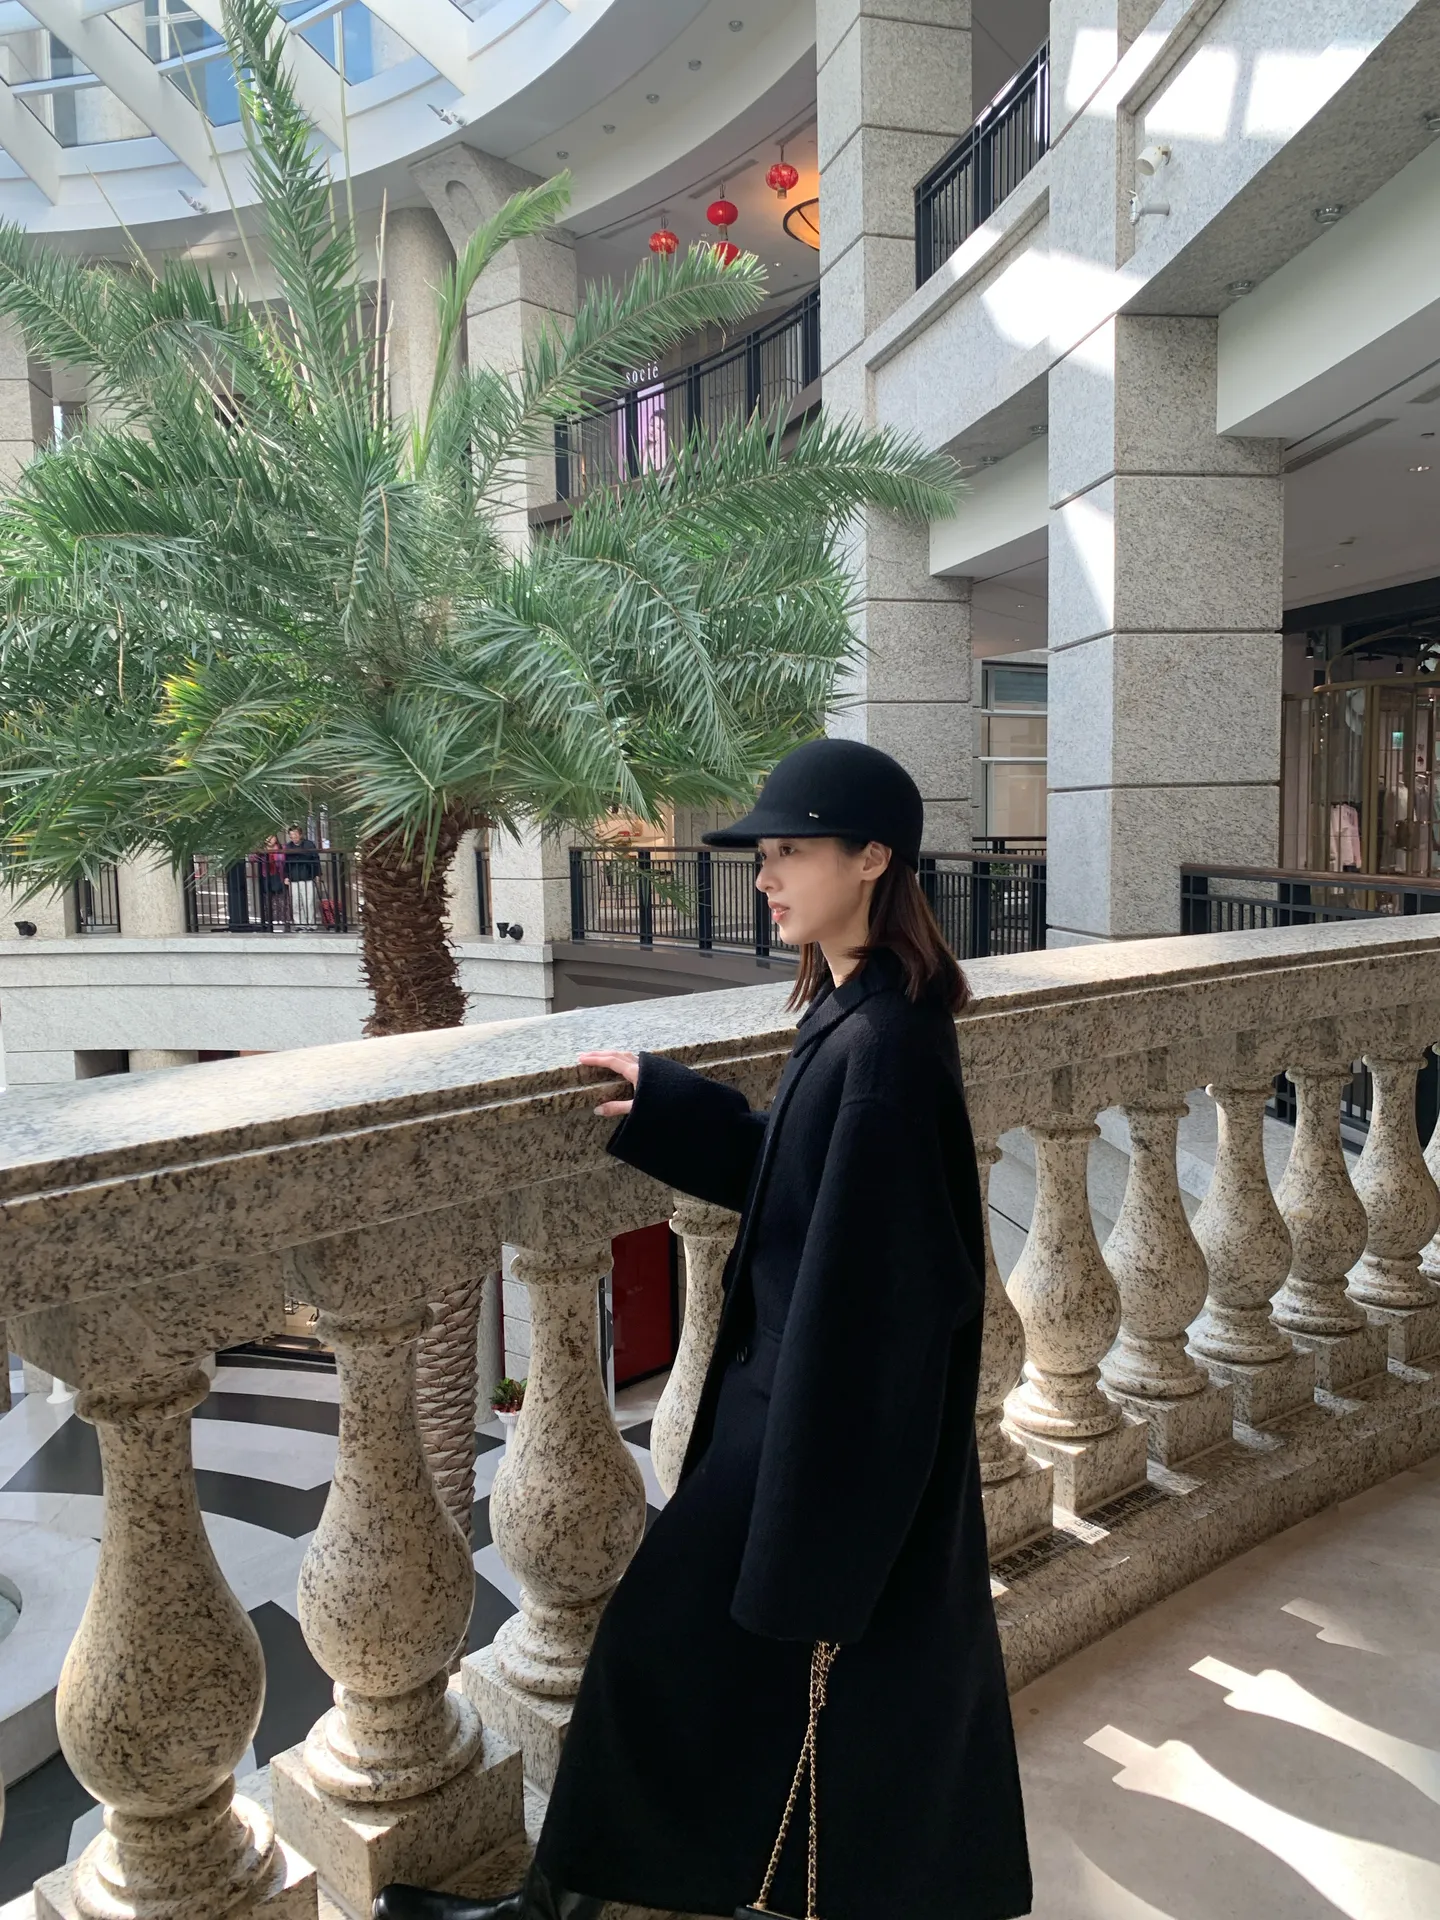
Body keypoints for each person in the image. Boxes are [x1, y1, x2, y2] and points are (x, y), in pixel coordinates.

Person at [374, 739, 1031, 1920]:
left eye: (791, 853)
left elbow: (881, 1315)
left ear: (872, 859)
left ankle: (559, 1907)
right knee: (679, 1667)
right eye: (764, 854)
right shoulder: (862, 1011)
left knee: (667, 1659)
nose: (765, 878)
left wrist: (811, 1541)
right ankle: (572, 1901)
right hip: (779, 1439)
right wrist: (673, 1109)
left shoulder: (883, 1049)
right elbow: (803, 1183)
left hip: (800, 1456)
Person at [285, 824, 321, 929]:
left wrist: (317, 874)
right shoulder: (288, 846)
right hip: (294, 878)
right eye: (291, 835)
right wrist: (286, 876)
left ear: (300, 835)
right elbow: (286, 863)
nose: (293, 837)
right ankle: (299, 924)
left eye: (295, 834)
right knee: (295, 902)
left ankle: (311, 924)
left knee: (309, 902)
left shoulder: (309, 844)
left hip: (308, 877)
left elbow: (316, 859)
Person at [258, 834, 288, 929]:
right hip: (266, 876)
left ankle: (283, 921)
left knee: (281, 900)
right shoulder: (261, 850)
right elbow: (252, 858)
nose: (270, 839)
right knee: (267, 900)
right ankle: (269, 922)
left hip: (279, 875)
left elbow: (284, 860)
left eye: (272, 837)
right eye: (267, 837)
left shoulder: (282, 848)